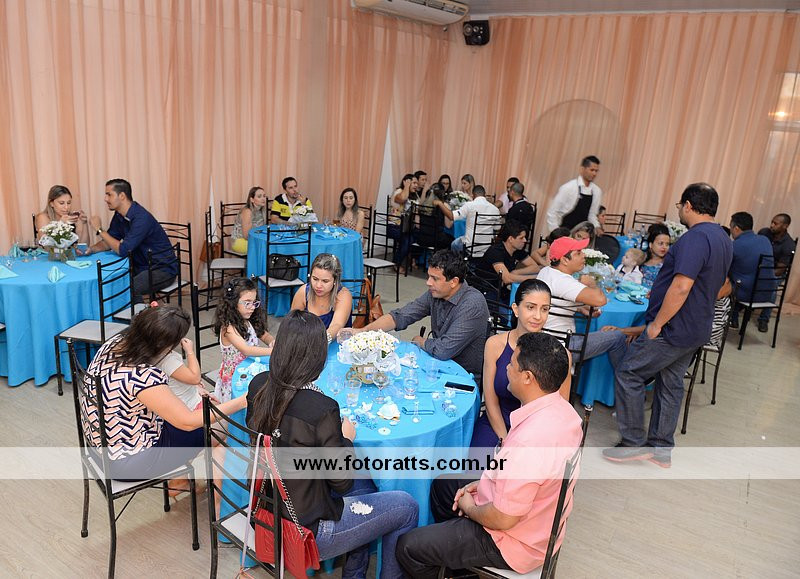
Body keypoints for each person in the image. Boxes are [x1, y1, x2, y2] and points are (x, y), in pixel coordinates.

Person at [247, 310, 419, 579]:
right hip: (308, 530)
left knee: (367, 487)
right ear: (318, 356)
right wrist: (346, 438)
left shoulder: (259, 385)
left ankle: (354, 574)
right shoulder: (320, 408)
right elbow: (342, 483)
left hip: (267, 510)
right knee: (406, 506)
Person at [396, 332, 583, 578]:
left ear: (528, 377)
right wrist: (486, 482)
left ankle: (454, 563)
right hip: (538, 518)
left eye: (512, 365)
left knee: (408, 547)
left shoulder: (530, 442)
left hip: (513, 541)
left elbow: (504, 519)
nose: (506, 368)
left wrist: (471, 507)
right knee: (443, 486)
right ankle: (455, 561)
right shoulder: (566, 414)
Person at [603, 183, 732, 468]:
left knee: (629, 373)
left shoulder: (695, 238)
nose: (679, 211)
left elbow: (682, 286)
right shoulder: (723, 238)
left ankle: (633, 443)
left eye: (679, 206)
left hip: (674, 327)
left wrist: (657, 324)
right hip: (696, 326)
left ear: (688, 205)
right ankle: (660, 449)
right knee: (671, 383)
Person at [83, 305, 246, 480]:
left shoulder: (114, 344)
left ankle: (188, 474)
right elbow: (187, 422)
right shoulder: (142, 376)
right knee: (222, 424)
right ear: (165, 345)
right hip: (126, 463)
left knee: (203, 413)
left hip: (99, 446)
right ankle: (190, 480)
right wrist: (242, 401)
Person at [355, 250, 489, 381]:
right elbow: (401, 316)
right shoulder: (436, 293)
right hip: (437, 365)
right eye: (429, 276)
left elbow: (443, 350)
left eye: (435, 278)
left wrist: (420, 341)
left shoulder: (472, 304)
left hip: (462, 377)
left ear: (453, 282)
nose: (428, 282)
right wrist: (363, 331)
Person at [470, 279, 572, 449]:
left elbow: (560, 410)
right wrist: (505, 440)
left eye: (544, 309)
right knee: (473, 463)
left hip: (537, 434)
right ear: (516, 309)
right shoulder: (495, 345)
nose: (538, 316)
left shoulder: (560, 355)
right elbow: (490, 400)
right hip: (497, 424)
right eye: (530, 307)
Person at [535, 237, 627, 365]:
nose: (584, 255)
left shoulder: (546, 271)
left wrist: (579, 308)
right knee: (618, 336)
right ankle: (625, 374)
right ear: (564, 260)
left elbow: (557, 300)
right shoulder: (564, 281)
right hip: (561, 346)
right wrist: (592, 284)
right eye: (578, 253)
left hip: (541, 340)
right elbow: (601, 300)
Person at [87, 178, 178, 302]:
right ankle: (119, 313)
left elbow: (123, 250)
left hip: (161, 269)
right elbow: (109, 242)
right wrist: (91, 249)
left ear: (122, 196)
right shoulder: (119, 215)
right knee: (110, 281)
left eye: (109, 194)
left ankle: (140, 314)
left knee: (128, 288)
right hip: (140, 266)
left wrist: (99, 229)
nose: (105, 199)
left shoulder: (141, 218)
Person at [213, 277, 275, 402]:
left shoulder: (248, 320)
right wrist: (274, 351)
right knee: (240, 403)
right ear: (233, 303)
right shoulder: (228, 327)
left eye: (254, 302)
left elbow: (264, 335)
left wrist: (271, 341)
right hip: (234, 377)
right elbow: (246, 350)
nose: (252, 307)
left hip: (250, 368)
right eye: (247, 303)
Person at [728, 211, 776, 329]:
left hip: (747, 294)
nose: (730, 231)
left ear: (736, 228)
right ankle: (734, 317)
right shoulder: (765, 240)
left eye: (731, 227)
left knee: (724, 281)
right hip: (767, 294)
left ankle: (732, 318)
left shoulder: (735, 245)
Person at [290, 253, 353, 341]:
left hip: (335, 344)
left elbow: (337, 325)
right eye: (315, 279)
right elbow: (292, 322)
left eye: (325, 281)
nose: (318, 285)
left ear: (335, 280)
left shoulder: (343, 295)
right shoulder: (303, 292)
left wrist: (322, 341)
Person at [433, 184, 501, 258]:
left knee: (454, 244)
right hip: (487, 247)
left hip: (470, 246)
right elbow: (497, 229)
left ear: (473, 195)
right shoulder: (495, 209)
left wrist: (440, 204)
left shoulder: (469, 205)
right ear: (484, 195)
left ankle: (457, 263)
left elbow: (451, 216)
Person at [756, 213, 796, 333]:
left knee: (772, 287)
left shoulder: (788, 244)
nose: (772, 225)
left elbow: (779, 270)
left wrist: (763, 276)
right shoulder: (764, 233)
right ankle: (736, 312)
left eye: (775, 223)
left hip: (775, 273)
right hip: (759, 267)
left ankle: (764, 319)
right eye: (772, 222)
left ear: (785, 226)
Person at [546, 155, 602, 232]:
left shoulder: (597, 191)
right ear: (582, 169)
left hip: (582, 233)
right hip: (564, 230)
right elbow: (552, 212)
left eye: (596, 171)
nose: (594, 174)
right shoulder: (568, 187)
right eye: (592, 170)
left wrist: (597, 227)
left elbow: (592, 214)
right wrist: (555, 231)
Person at [477, 220, 540, 289]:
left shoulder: (517, 249)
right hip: (486, 288)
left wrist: (516, 272)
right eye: (521, 238)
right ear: (510, 239)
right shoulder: (495, 251)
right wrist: (535, 278)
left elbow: (535, 267)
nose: (525, 240)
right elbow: (507, 279)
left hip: (500, 287)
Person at [156, 334, 204, 411]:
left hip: (183, 399)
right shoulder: (168, 360)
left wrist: (196, 388)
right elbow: (195, 378)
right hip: (189, 405)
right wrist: (190, 351)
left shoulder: (157, 355)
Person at [388, 173, 417, 273]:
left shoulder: (414, 195)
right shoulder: (399, 192)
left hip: (406, 227)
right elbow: (403, 199)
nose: (416, 185)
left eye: (416, 183)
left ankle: (412, 259)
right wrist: (407, 186)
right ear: (405, 182)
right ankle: (396, 263)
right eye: (413, 183)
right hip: (394, 226)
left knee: (417, 236)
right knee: (408, 240)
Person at [413, 183, 454, 251]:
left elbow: (417, 225)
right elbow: (448, 225)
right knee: (452, 241)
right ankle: (441, 257)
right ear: (442, 194)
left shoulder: (422, 205)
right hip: (437, 240)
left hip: (422, 239)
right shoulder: (444, 206)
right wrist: (453, 219)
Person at [231, 186, 268, 254]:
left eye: (264, 196)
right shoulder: (247, 211)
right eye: (259, 196)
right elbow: (246, 236)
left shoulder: (261, 210)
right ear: (252, 199)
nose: (263, 199)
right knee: (266, 248)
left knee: (270, 246)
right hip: (240, 241)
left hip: (254, 239)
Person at [640, 223, 671, 289]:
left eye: (667, 244)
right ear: (650, 244)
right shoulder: (641, 260)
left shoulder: (668, 265)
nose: (664, 247)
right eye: (660, 243)